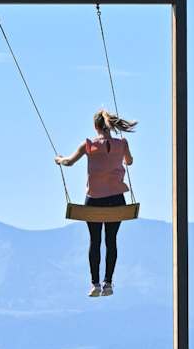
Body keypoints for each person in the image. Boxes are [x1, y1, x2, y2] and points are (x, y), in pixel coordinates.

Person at [54, 109, 136, 297]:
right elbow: (129, 162)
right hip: (117, 199)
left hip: (95, 200)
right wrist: (123, 157)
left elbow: (69, 162)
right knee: (111, 241)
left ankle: (95, 284)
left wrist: (59, 159)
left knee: (95, 241)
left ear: (95, 126)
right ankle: (108, 283)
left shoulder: (89, 145)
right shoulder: (122, 143)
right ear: (110, 125)